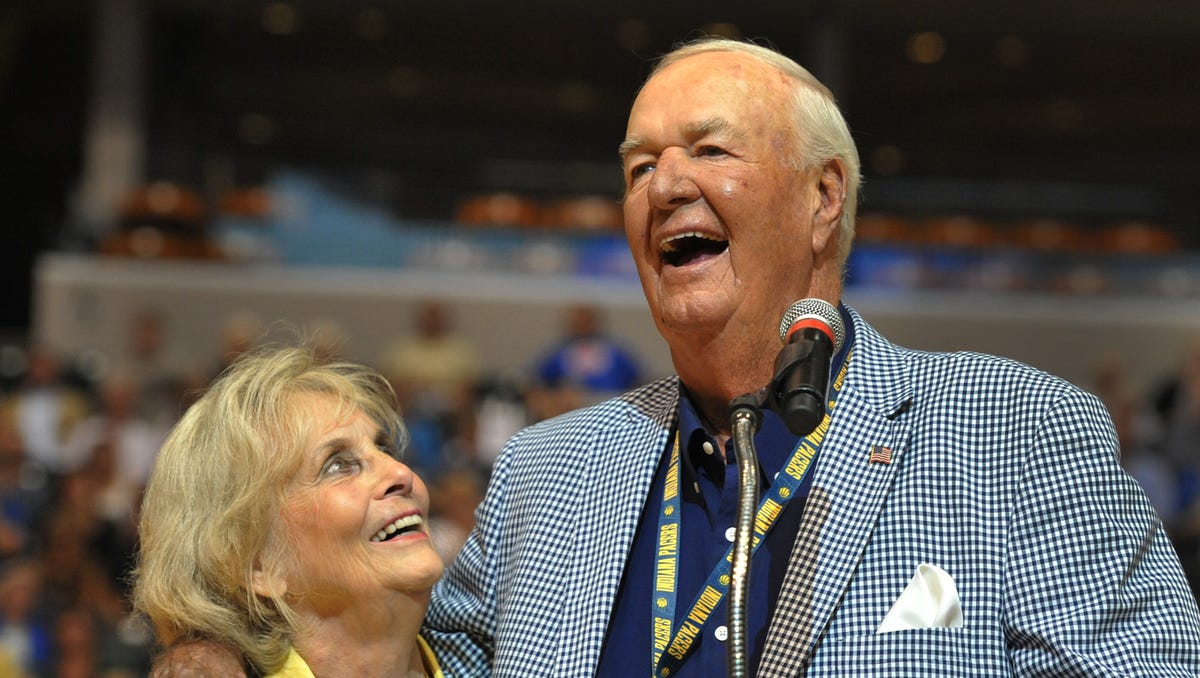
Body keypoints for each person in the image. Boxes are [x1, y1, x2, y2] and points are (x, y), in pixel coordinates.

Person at [151, 37, 1200, 677]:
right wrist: (216, 653)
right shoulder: (547, 475)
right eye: (639, 165)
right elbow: (412, 661)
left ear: (823, 197)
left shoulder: (1013, 433)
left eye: (708, 148)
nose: (664, 184)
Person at [133, 344, 445, 677]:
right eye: (338, 465)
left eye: (385, 449)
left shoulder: (478, 649)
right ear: (258, 566)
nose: (401, 473)